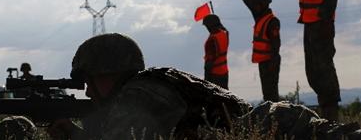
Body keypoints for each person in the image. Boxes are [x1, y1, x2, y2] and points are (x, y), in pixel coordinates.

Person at [47, 32, 250, 140]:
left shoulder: (140, 94)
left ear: (110, 73)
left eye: (90, 81)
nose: (88, 92)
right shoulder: (149, 86)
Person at [229, 0, 281, 102]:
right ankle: (271, 117)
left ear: (263, 5)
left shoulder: (272, 21)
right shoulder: (259, 17)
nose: (254, 7)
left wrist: (272, 65)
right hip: (264, 61)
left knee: (271, 94)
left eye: (256, 5)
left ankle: (275, 119)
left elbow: (276, 45)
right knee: (267, 94)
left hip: (270, 61)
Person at [202, 14, 229, 89]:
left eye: (207, 26)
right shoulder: (225, 34)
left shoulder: (212, 39)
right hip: (224, 71)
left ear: (210, 25)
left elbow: (210, 61)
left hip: (214, 74)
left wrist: (206, 79)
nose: (207, 28)